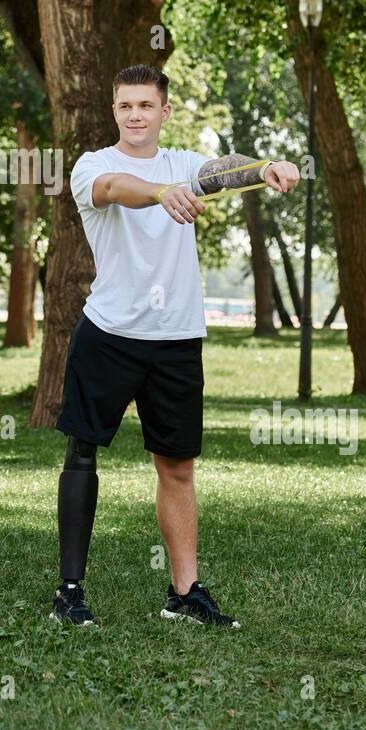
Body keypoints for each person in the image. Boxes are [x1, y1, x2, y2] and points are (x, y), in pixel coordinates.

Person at [51, 63, 300, 628]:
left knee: (178, 466)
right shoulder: (95, 166)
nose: (135, 115)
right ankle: (69, 593)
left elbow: (224, 170)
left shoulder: (185, 164)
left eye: (145, 106)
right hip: (109, 333)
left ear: (164, 111)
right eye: (124, 106)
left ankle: (184, 593)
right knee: (81, 454)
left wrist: (267, 167)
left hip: (177, 339)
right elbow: (116, 191)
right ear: (114, 111)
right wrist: (163, 193)